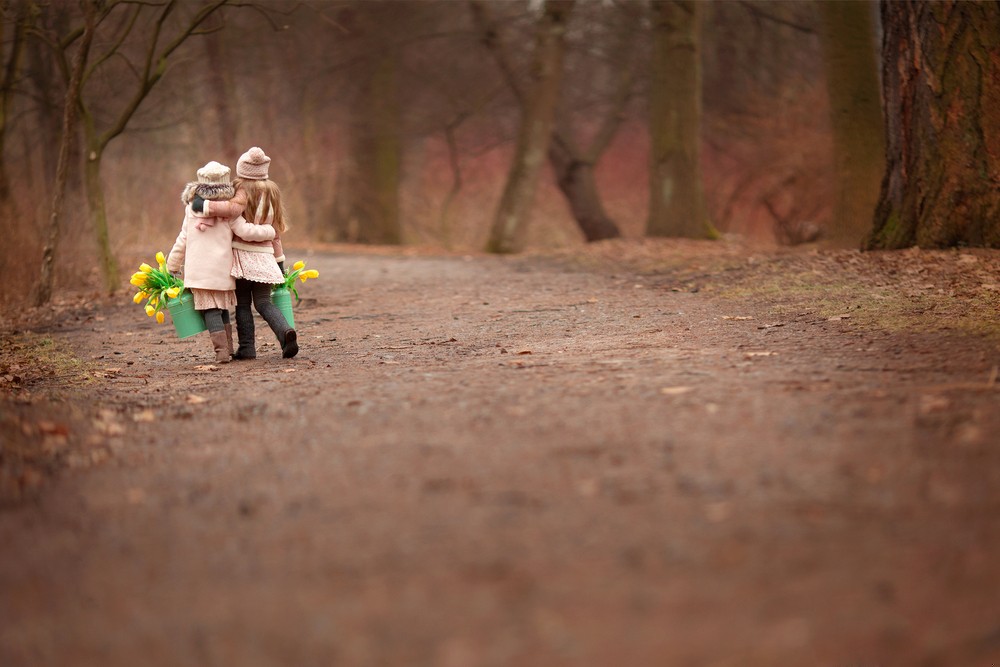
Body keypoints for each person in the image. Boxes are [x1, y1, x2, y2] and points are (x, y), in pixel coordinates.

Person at [166, 161, 276, 364]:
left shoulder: (192, 209)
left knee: (211, 310)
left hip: (199, 272)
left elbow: (183, 238)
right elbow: (245, 232)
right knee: (223, 308)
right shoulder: (230, 213)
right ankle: (229, 348)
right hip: (223, 271)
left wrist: (172, 265)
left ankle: (221, 352)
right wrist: (270, 231)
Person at [196, 147, 297, 359]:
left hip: (243, 257)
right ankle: (285, 331)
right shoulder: (273, 190)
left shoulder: (241, 188)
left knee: (243, 304)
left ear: (243, 169)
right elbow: (276, 232)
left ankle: (247, 348)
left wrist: (203, 206)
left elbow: (230, 210)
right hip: (266, 258)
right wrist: (279, 263)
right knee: (264, 303)